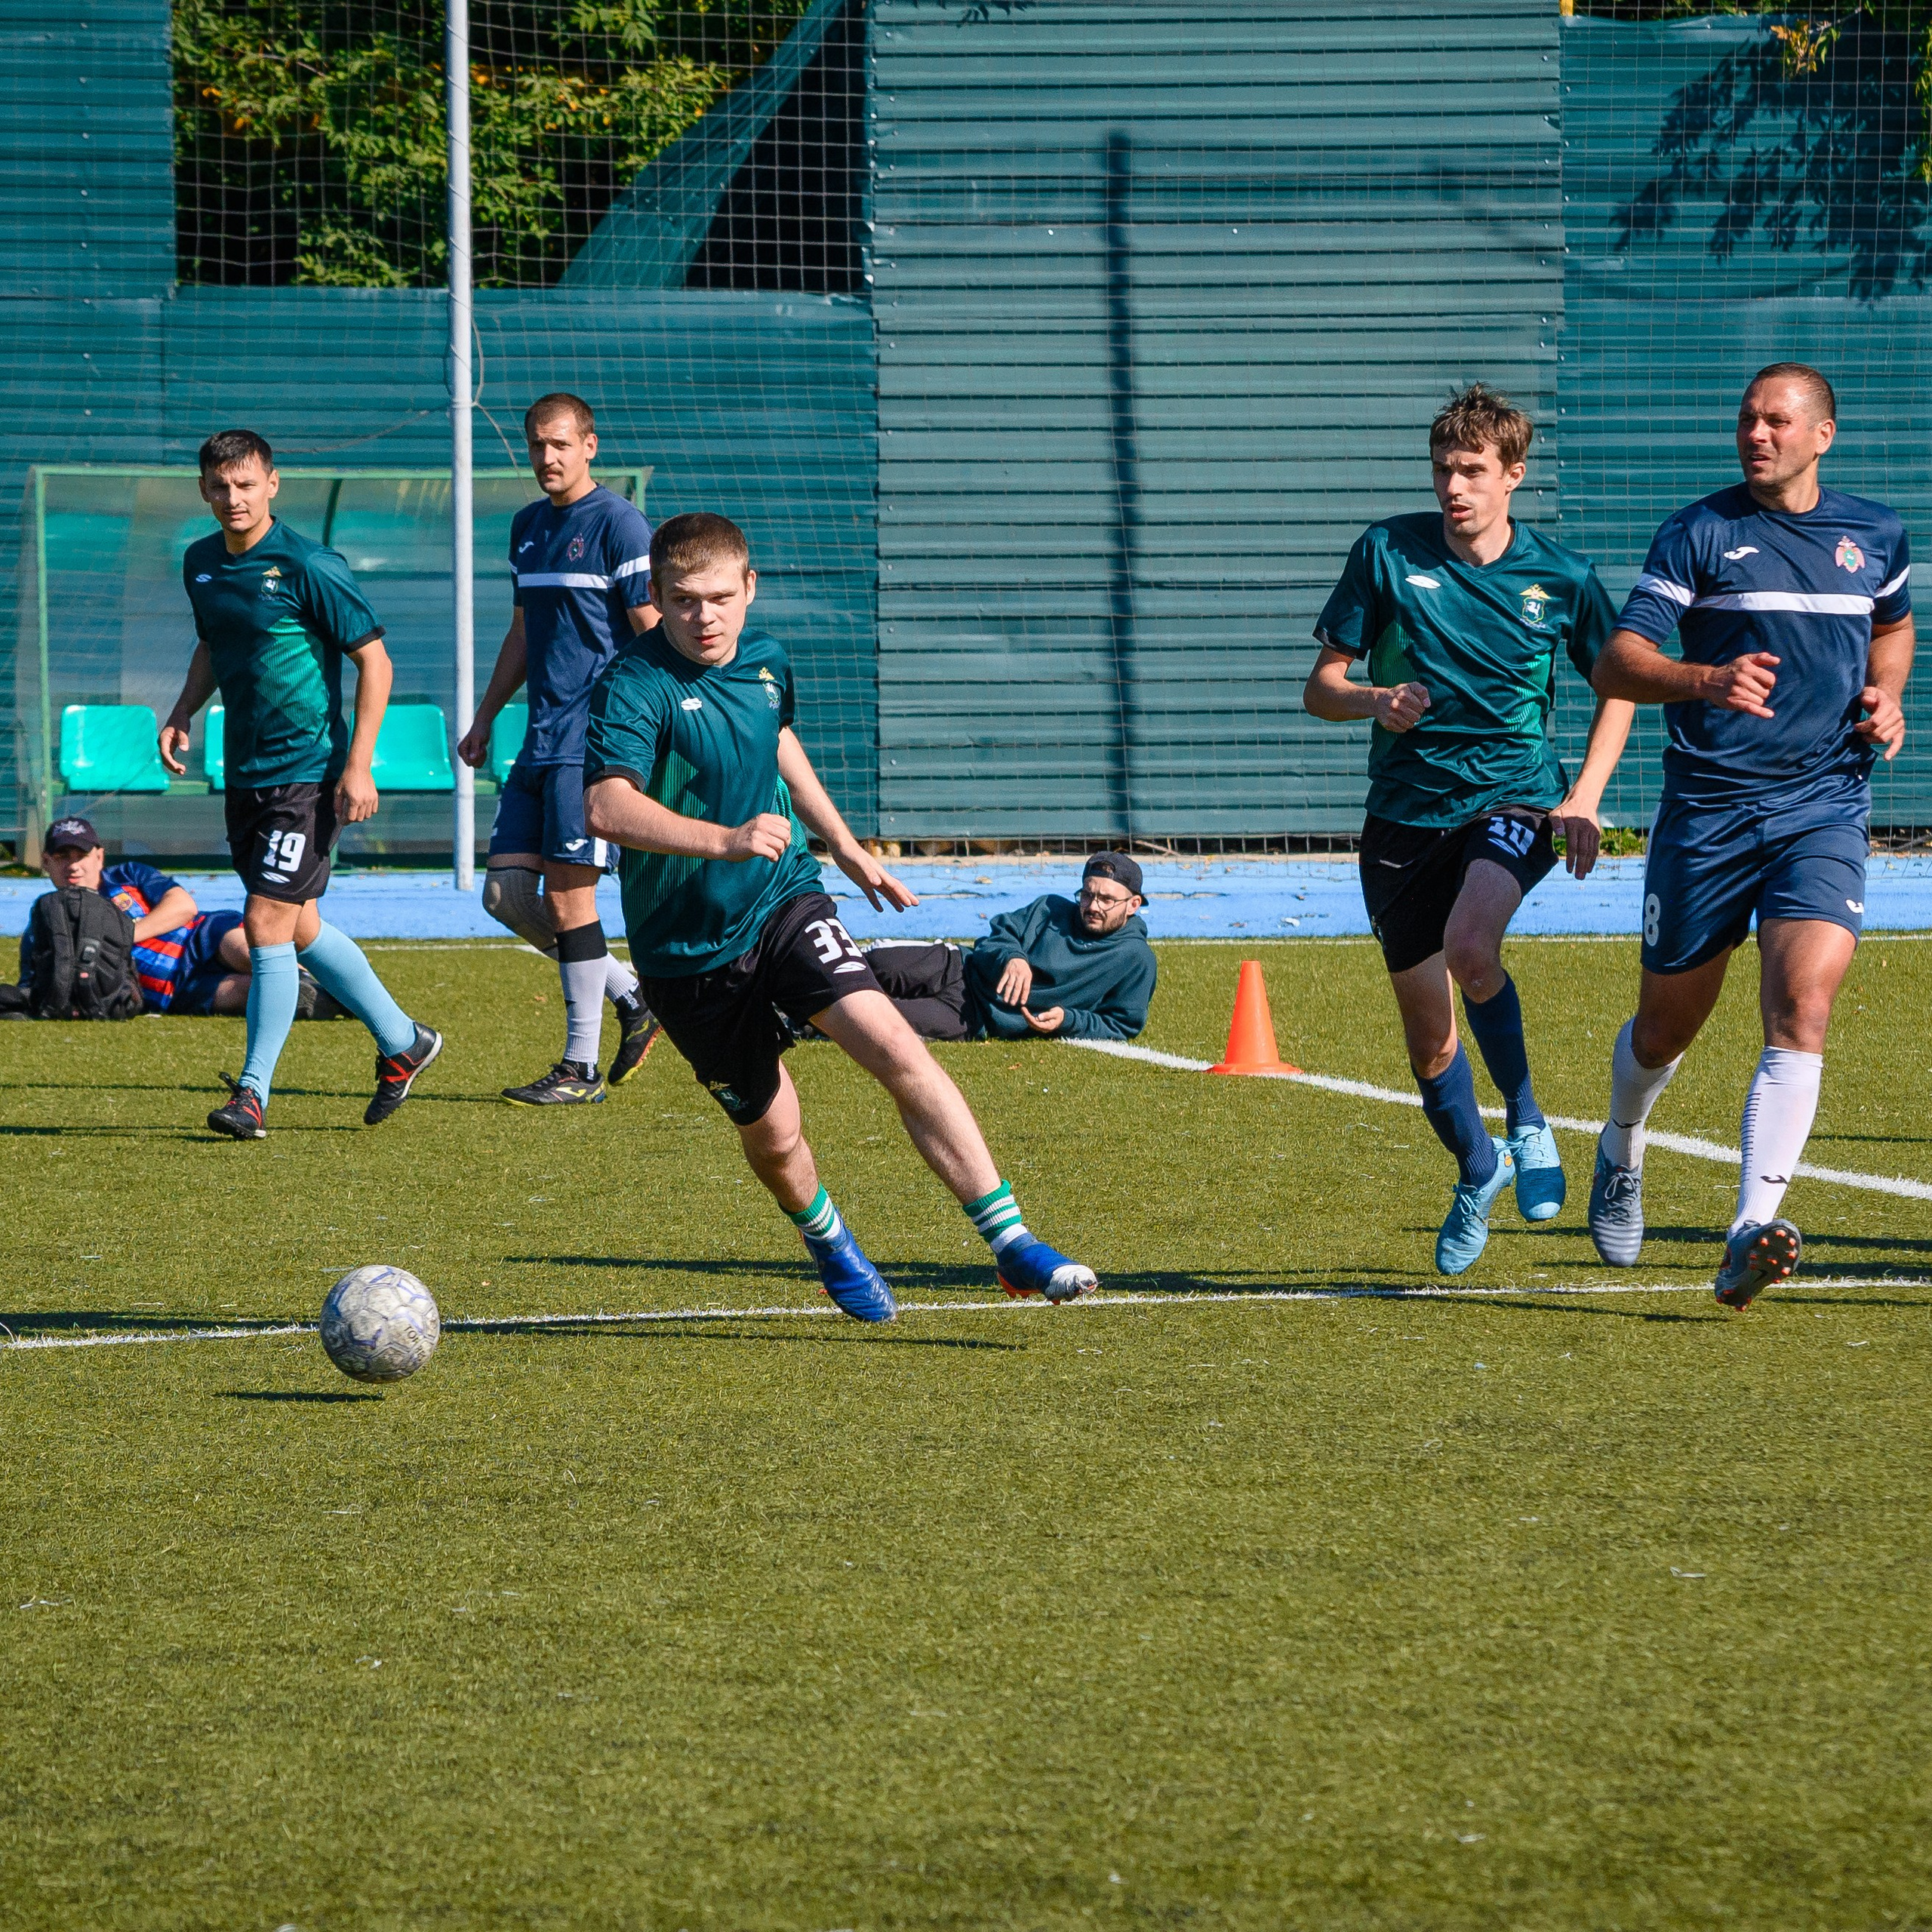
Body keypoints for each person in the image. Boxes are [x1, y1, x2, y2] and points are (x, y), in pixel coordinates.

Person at [583, 511, 1099, 1321]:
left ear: (749, 588)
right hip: (684, 953)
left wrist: (847, 846)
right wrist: (723, 838)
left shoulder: (764, 660)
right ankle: (827, 1241)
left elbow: (776, 736)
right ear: (655, 595)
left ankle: (1012, 1243)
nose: (704, 617)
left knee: (894, 1043)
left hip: (782, 900)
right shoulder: (633, 685)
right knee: (776, 1134)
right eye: (683, 601)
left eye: (719, 597)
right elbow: (607, 805)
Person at [1586, 363, 1913, 1309]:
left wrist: (1886, 693)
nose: (1756, 434)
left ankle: (1745, 1231)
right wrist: (1704, 680)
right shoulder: (1698, 532)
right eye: (1746, 419)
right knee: (1663, 1029)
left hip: (1824, 805)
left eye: (1777, 421)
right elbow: (1618, 660)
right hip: (1709, 813)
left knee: (1801, 1005)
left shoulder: (1873, 532)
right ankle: (1621, 1142)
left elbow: (1892, 625)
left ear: (1823, 435)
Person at [1303, 383, 1635, 1275]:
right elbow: (1320, 687)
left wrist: (1585, 798)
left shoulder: (1560, 578)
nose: (1454, 487)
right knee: (1428, 1039)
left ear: (1512, 476)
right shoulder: (1385, 550)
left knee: (1470, 946)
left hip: (1514, 799)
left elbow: (1620, 685)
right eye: (1444, 469)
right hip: (1402, 817)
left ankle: (1527, 1122)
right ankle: (1475, 1167)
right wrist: (1376, 697)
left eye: (1473, 471)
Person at [158, 428, 441, 1140]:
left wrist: (359, 764)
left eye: (246, 484)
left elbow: (376, 663)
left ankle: (252, 1095)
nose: (234, 499)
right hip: (246, 775)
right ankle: (404, 1041)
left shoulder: (309, 563)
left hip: (308, 774)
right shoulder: (201, 563)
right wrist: (183, 709)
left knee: (263, 923)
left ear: (273, 484)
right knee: (300, 925)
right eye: (220, 487)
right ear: (204, 490)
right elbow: (213, 644)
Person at [456, 392, 662, 1106]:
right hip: (538, 739)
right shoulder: (525, 527)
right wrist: (485, 717)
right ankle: (635, 995)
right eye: (537, 445)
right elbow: (523, 631)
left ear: (590, 447)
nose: (547, 458)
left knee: (571, 900)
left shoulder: (620, 523)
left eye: (560, 445)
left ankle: (580, 1070)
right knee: (507, 896)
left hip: (591, 746)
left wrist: (655, 731)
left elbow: (652, 634)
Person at [865, 852, 1156, 1041]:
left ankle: (818, 1021)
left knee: (878, 1023)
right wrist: (1013, 956)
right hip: (959, 967)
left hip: (973, 1017)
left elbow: (1121, 1025)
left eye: (1106, 900)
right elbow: (996, 936)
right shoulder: (1050, 908)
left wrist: (1068, 1020)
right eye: (1087, 895)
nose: (1092, 906)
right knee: (872, 965)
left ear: (1133, 905)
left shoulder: (1136, 959)